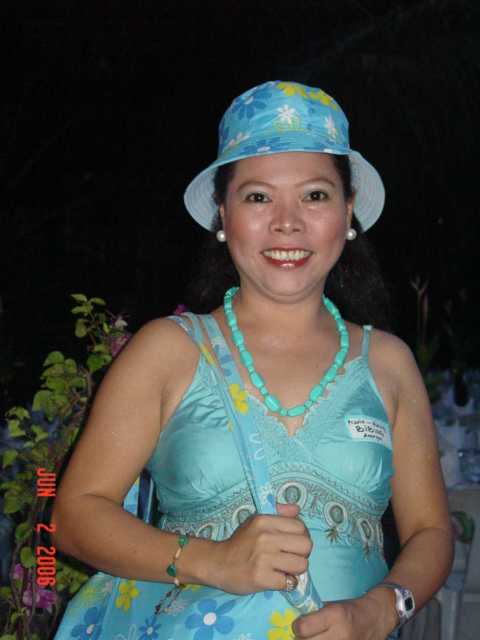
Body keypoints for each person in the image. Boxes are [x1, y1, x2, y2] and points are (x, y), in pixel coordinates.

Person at [51, 80, 453, 640]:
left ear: (348, 210)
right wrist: (212, 561)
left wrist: (382, 609)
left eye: (315, 195)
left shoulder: (387, 362)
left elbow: (431, 530)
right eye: (258, 197)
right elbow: (73, 516)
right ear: (223, 213)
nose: (287, 222)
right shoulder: (168, 350)